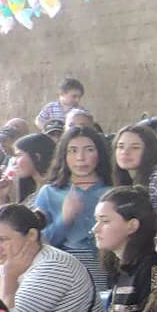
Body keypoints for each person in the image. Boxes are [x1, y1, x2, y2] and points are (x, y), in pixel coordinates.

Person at [0, 204, 107, 312]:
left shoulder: (54, 266)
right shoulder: (11, 264)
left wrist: (8, 278)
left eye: (3, 239)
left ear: (32, 235)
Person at [90, 186, 157, 312]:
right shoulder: (118, 266)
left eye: (105, 221)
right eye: (96, 221)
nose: (95, 229)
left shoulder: (151, 268)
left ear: (132, 226)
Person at [31, 124, 113, 290]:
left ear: (99, 154)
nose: (80, 158)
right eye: (73, 151)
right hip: (62, 271)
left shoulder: (113, 191)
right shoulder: (49, 192)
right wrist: (65, 219)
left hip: (107, 269)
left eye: (89, 150)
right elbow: (37, 243)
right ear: (64, 155)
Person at [0, 131, 55, 207]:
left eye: (19, 155)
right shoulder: (33, 191)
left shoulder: (52, 193)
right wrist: (1, 198)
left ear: (37, 157)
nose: (14, 162)